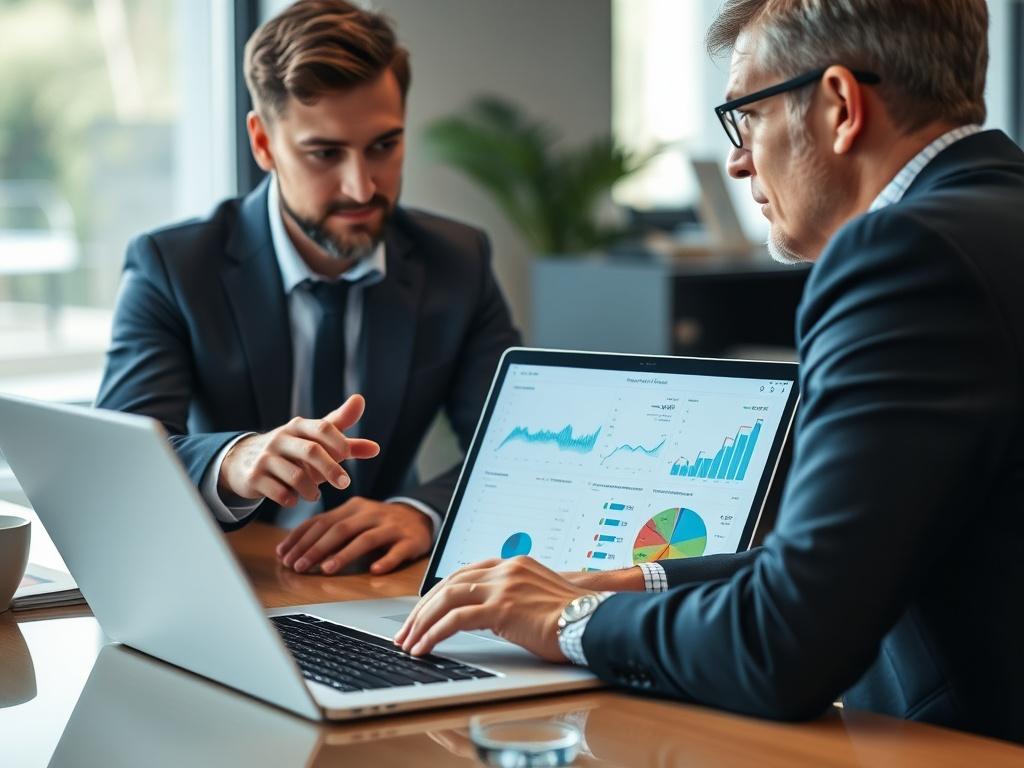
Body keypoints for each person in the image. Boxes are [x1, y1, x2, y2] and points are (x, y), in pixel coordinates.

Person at [395, 0, 1024, 743]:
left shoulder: (902, 258)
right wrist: (632, 580)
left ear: (839, 106)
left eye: (747, 116)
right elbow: (848, 558)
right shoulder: (993, 217)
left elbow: (786, 646)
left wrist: (567, 619)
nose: (736, 159)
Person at [96, 0, 519, 577]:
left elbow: (514, 446)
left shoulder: (458, 261)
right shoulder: (171, 266)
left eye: (383, 146)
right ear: (264, 144)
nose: (362, 186)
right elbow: (119, 462)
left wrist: (422, 511)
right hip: (224, 580)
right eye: (325, 153)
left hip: (383, 589)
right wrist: (232, 460)